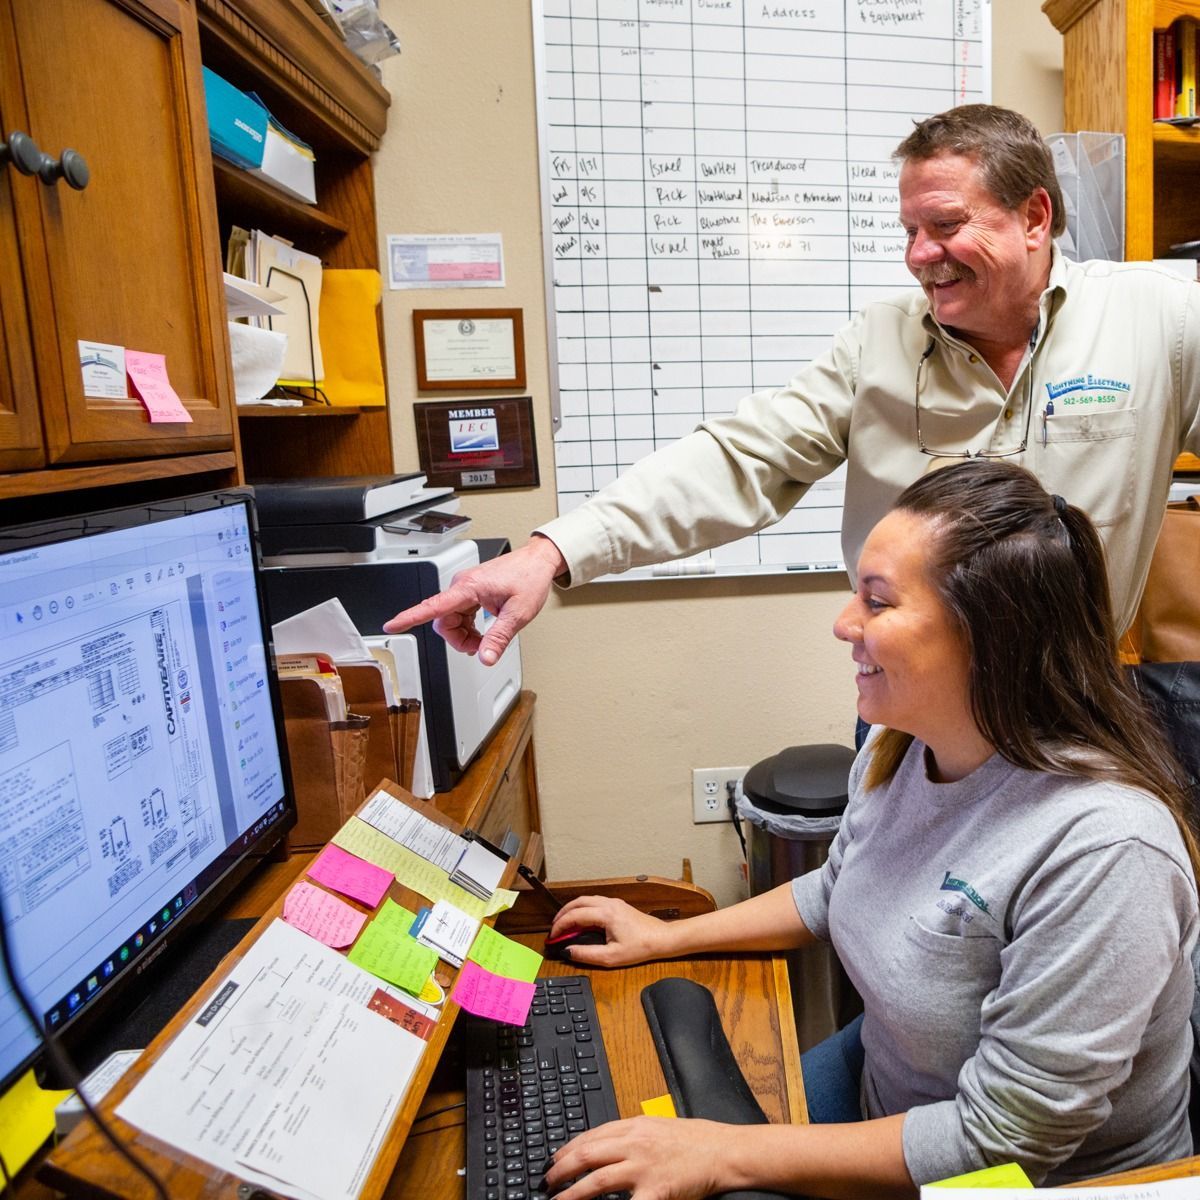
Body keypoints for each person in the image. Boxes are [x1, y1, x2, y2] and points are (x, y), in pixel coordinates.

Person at [538, 461, 1200, 1199]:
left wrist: (725, 1154)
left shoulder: (1104, 851)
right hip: (892, 1089)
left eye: (878, 602)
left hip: (1028, 1178)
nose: (844, 623)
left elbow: (1000, 1141)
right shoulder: (903, 749)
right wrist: (669, 937)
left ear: (990, 640)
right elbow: (841, 884)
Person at [384, 105, 1200, 664]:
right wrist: (551, 550)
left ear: (1034, 218)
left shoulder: (1155, 319)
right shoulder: (879, 342)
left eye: (946, 225)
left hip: (1077, 702)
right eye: (910, 231)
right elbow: (740, 460)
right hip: (910, 704)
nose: (919, 253)